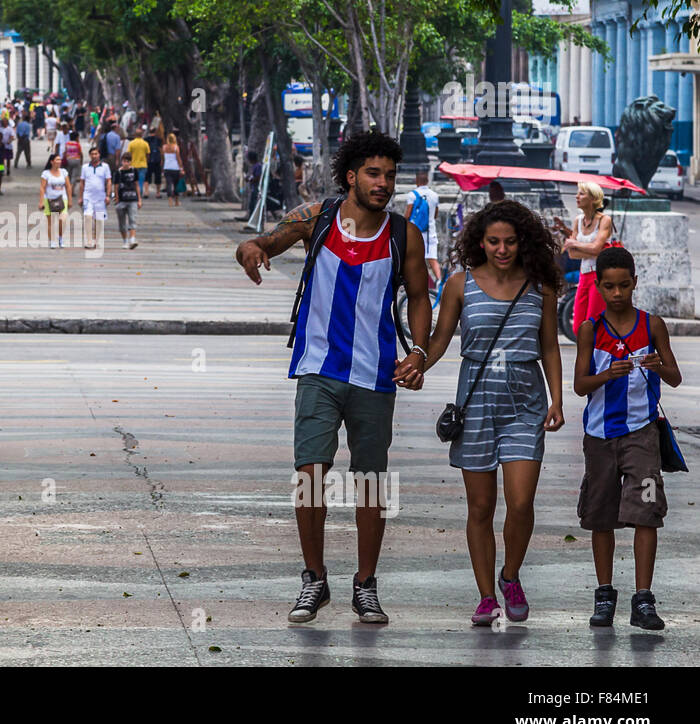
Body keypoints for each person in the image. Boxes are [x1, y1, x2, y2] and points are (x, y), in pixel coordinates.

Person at [235, 131, 431, 625]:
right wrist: (250, 251)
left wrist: (421, 353)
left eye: (389, 175)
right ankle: (314, 579)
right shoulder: (315, 218)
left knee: (369, 482)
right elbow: (263, 242)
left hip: (375, 374)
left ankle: (365, 584)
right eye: (373, 173)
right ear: (351, 176)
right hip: (317, 368)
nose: (383, 183)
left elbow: (419, 297)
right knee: (311, 476)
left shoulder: (404, 235)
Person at [420, 200, 565, 626]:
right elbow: (440, 338)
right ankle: (486, 596)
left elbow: (551, 347)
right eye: (493, 242)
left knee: (520, 502)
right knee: (481, 507)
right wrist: (415, 362)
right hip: (476, 403)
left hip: (526, 402)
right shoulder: (460, 284)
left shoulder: (541, 288)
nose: (502, 249)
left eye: (510, 242)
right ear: (478, 242)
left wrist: (557, 400)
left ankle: (510, 575)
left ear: (524, 243)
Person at [573, 246, 681, 630]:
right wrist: (607, 375)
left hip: (643, 435)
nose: (617, 294)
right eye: (609, 287)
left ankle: (643, 600)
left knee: (646, 513)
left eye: (623, 286)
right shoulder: (591, 329)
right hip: (599, 437)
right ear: (598, 286)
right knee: (601, 517)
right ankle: (604, 596)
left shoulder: (652, 325)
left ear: (634, 283)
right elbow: (579, 385)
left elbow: (674, 376)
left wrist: (658, 364)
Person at [555, 181, 616, 332]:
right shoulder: (578, 220)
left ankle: (593, 354)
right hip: (584, 274)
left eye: (581, 194)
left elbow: (596, 248)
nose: (577, 197)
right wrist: (582, 247)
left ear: (593, 199)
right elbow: (572, 253)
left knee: (593, 323)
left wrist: (574, 244)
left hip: (599, 275)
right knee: (577, 326)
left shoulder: (604, 220)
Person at [403, 171, 442, 285]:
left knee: (413, 257)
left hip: (415, 232)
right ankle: (439, 282)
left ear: (416, 181)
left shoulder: (412, 195)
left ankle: (412, 281)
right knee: (432, 259)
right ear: (427, 181)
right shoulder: (435, 195)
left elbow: (408, 214)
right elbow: (435, 215)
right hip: (430, 232)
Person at [78, 145, 112, 250]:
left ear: (99, 155)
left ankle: (97, 240)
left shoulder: (105, 167)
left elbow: (108, 181)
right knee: (88, 217)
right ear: (89, 155)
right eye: (92, 154)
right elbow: (82, 183)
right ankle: (89, 241)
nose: (94, 156)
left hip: (100, 197)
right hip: (88, 196)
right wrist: (80, 197)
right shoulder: (85, 167)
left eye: (96, 154)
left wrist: (108, 195)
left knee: (99, 220)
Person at [40, 152, 72, 249]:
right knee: (51, 222)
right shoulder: (46, 174)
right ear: (52, 162)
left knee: (62, 219)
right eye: (57, 160)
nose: (59, 161)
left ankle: (61, 238)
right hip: (49, 199)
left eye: (60, 160)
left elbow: (68, 186)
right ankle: (52, 241)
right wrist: (41, 201)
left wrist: (70, 199)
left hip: (62, 199)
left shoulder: (64, 172)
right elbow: (42, 187)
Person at [115, 150, 142, 249]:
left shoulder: (134, 171)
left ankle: (132, 239)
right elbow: (116, 186)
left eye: (128, 161)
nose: (126, 163)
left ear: (130, 162)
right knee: (122, 222)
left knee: (132, 219)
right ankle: (125, 240)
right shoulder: (118, 172)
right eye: (124, 161)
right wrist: (116, 198)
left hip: (132, 199)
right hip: (122, 200)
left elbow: (137, 185)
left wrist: (139, 199)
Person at [127, 127, 151, 197]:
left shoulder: (131, 143)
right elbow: (148, 154)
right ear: (142, 134)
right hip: (143, 164)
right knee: (141, 181)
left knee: (134, 181)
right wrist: (146, 160)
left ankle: (135, 193)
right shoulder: (145, 143)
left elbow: (129, 154)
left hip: (133, 165)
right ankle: (139, 193)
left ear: (135, 135)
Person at [162, 133, 184, 205]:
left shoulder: (164, 147)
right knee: (176, 185)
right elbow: (178, 158)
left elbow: (163, 158)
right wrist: (181, 168)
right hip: (175, 168)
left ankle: (170, 200)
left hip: (167, 167)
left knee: (169, 184)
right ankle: (177, 201)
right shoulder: (176, 147)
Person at [145, 125, 163, 198]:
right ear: (155, 132)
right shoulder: (159, 140)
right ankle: (158, 193)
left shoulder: (146, 139)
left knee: (147, 177)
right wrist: (162, 159)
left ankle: (146, 192)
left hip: (148, 160)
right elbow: (161, 150)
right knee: (158, 177)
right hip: (157, 160)